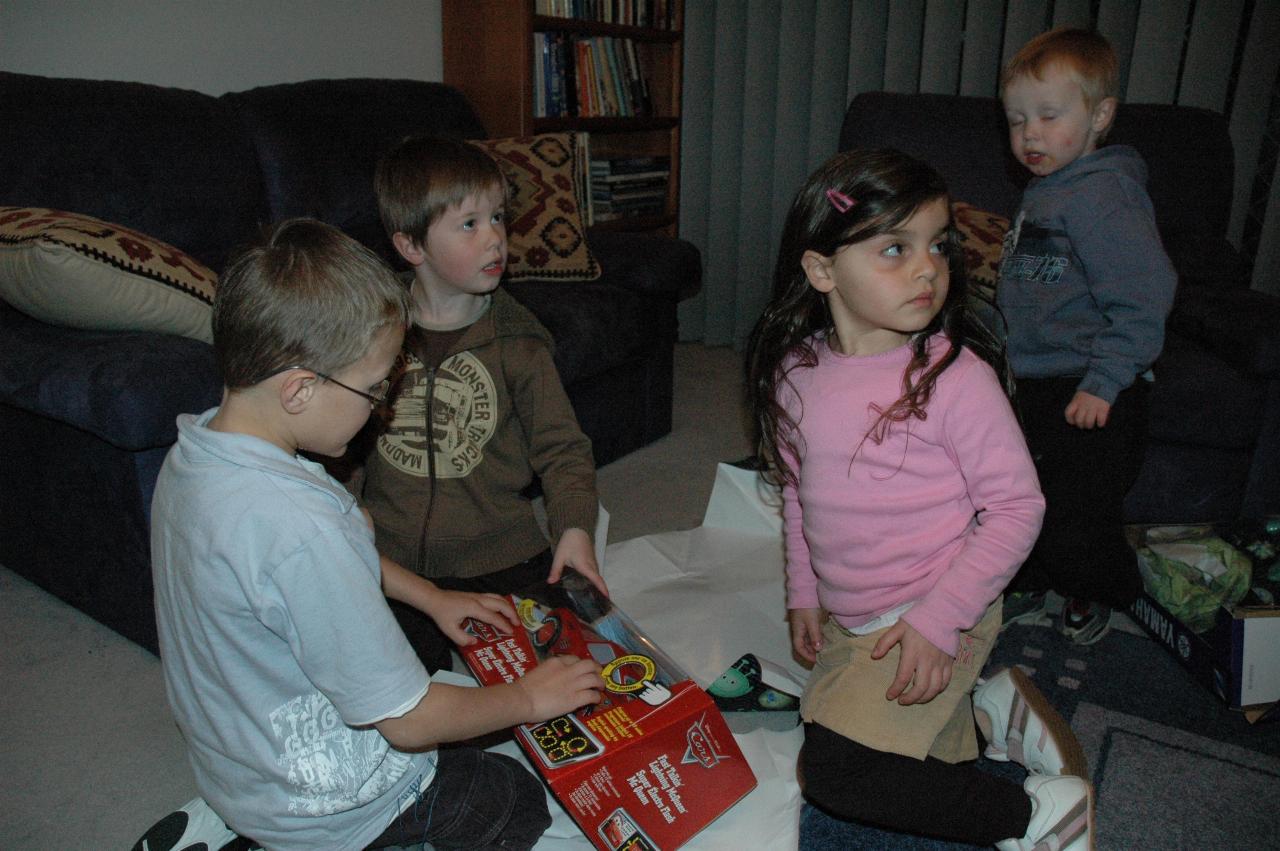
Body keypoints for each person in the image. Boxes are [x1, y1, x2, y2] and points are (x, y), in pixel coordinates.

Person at [149, 219, 602, 851]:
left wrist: (432, 598)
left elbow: (321, 553)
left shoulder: (196, 455)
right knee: (514, 799)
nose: (383, 405)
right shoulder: (304, 526)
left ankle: (241, 826)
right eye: (373, 387)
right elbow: (409, 722)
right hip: (335, 809)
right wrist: (527, 697)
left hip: (241, 770)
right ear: (301, 388)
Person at [746, 148, 1092, 849]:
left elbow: (1018, 508)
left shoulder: (956, 379)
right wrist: (804, 591)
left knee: (839, 771)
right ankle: (986, 716)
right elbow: (798, 497)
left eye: (938, 244)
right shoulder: (794, 373)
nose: (928, 268)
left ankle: (1036, 814)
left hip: (939, 602)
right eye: (894, 248)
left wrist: (940, 622)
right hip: (856, 612)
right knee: (855, 724)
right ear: (821, 271)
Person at [360, 136, 605, 672]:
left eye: (498, 218)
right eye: (469, 224)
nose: (495, 238)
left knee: (576, 669)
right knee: (391, 697)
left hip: (500, 550)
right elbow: (341, 442)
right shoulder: (371, 332)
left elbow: (562, 448)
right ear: (412, 248)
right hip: (391, 561)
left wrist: (574, 529)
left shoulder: (518, 339)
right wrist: (347, 518)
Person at [998, 27, 1177, 645]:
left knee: (1079, 505)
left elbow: (1144, 293)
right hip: (1037, 379)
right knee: (1019, 492)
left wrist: (1104, 381)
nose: (1030, 134)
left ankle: (1103, 586)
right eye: (1018, 119)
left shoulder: (1104, 195)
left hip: (1093, 383)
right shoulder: (1044, 190)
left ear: (1100, 116)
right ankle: (1028, 577)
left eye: (1049, 115)